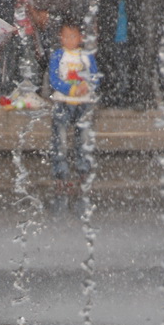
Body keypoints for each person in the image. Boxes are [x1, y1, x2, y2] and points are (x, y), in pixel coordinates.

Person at [48, 20, 97, 197]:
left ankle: (83, 173)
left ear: (81, 37)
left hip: (84, 103)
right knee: (60, 140)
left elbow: (94, 76)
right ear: (61, 38)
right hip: (63, 102)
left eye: (74, 36)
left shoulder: (86, 56)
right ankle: (61, 175)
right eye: (66, 36)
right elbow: (53, 80)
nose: (70, 39)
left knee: (83, 140)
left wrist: (87, 85)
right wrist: (70, 89)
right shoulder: (57, 56)